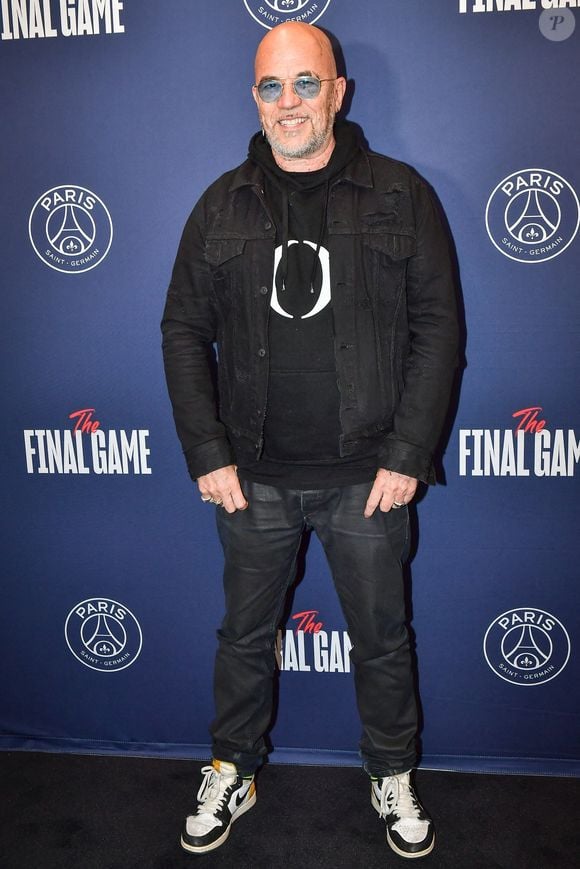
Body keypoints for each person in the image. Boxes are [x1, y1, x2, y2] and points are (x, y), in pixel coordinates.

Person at [162, 21, 458, 860]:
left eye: (304, 83)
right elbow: (183, 329)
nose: (287, 102)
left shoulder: (402, 195)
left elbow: (439, 330)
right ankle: (233, 765)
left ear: (338, 91)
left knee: (383, 638)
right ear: (253, 98)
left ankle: (392, 769)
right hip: (251, 476)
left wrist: (407, 453)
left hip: (368, 475)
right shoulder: (219, 203)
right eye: (270, 86)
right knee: (243, 638)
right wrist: (206, 450)